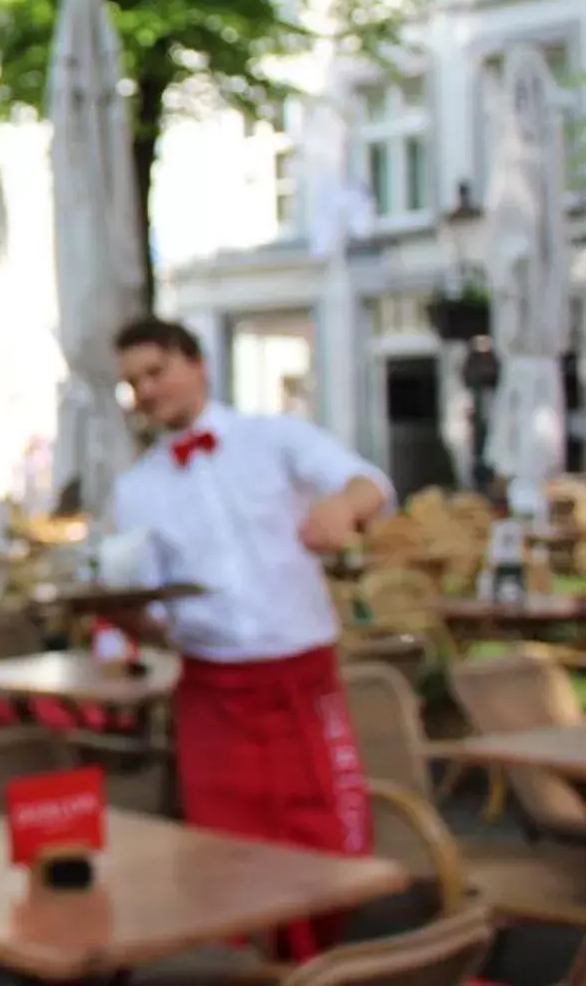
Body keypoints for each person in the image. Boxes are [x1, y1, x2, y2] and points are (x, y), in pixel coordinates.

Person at [99, 317, 392, 958]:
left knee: (330, 838)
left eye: (156, 372)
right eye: (132, 383)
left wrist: (341, 509)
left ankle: (326, 966)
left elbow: (371, 483)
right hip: (212, 688)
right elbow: (151, 611)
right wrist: (122, 617)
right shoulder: (134, 489)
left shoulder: (275, 437)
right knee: (227, 851)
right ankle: (257, 969)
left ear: (198, 363)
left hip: (302, 676)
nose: (146, 392)